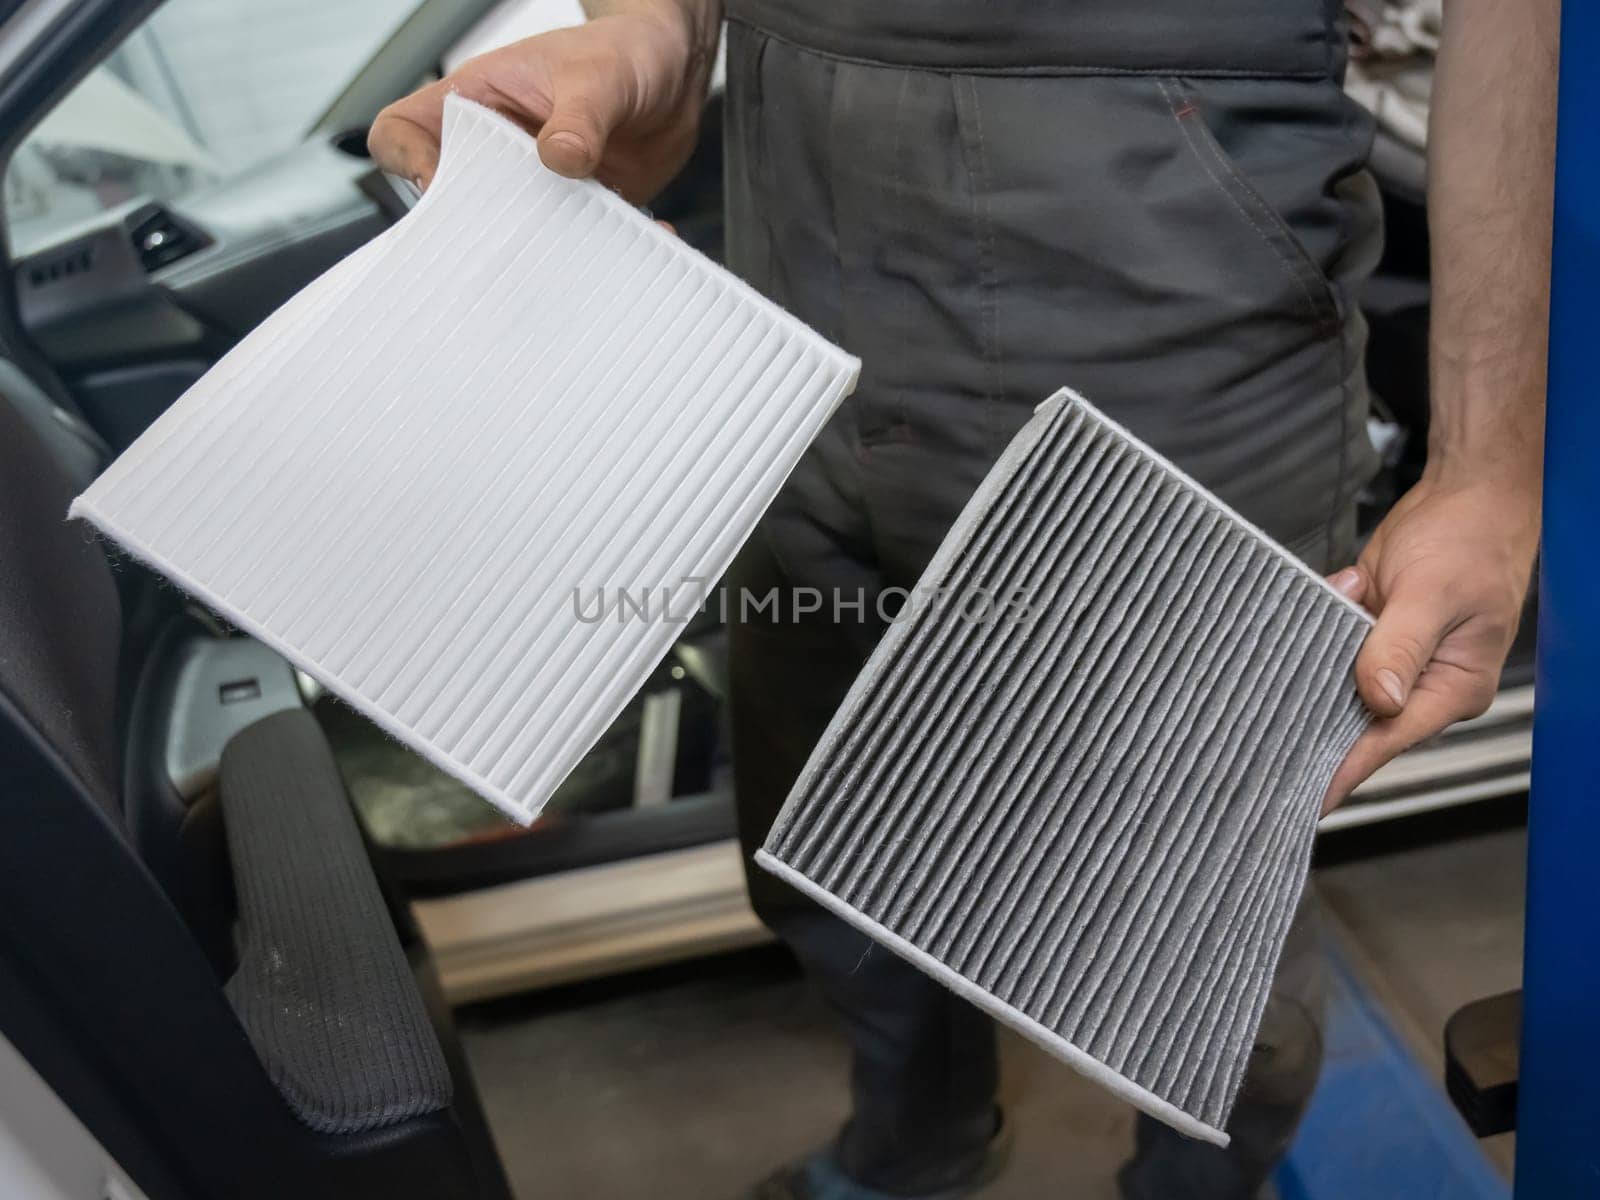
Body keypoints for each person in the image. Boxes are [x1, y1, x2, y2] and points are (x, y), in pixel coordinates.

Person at [372, 1, 1554, 1195]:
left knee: (1190, 944)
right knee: (826, 830)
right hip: (793, 256)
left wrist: (1485, 463)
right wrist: (652, 33)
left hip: (1158, 279)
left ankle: (1197, 1184)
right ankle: (919, 1143)